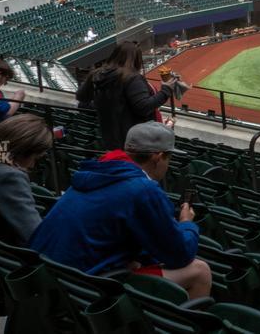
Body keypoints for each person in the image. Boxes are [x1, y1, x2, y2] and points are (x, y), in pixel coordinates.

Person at [30, 122, 211, 298]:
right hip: (82, 287)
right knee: (200, 271)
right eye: (168, 158)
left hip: (44, 275)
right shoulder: (142, 189)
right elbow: (179, 255)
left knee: (137, 261)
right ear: (157, 157)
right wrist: (186, 223)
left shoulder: (95, 172)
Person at [0, 114, 52, 245]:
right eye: (35, 158)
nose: (32, 165)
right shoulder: (8, 176)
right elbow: (36, 236)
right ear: (23, 152)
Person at [75, 42, 179, 150]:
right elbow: (144, 107)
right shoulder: (132, 78)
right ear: (136, 60)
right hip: (134, 140)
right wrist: (166, 89)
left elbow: (81, 97)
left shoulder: (96, 74)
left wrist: (103, 103)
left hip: (110, 138)